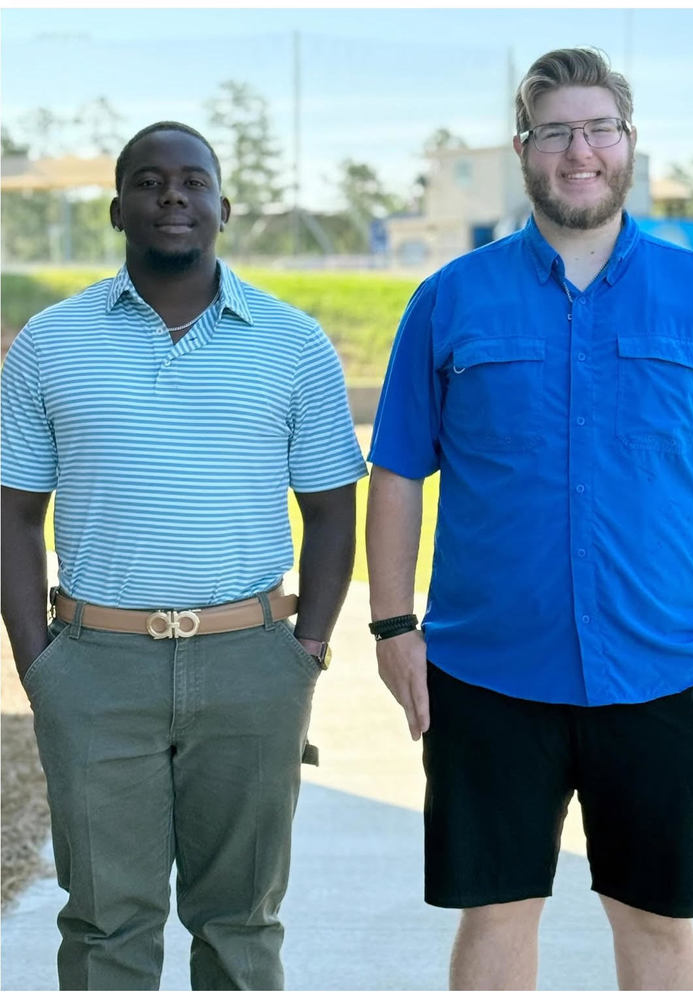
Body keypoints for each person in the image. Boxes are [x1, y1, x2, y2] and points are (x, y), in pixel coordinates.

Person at [366, 48, 693, 991]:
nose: (578, 150)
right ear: (524, 151)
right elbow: (395, 473)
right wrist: (394, 629)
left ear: (628, 145)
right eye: (556, 132)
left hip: (664, 669)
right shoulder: (449, 300)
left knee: (657, 922)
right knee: (496, 914)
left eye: (598, 129)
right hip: (487, 673)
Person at [1, 121, 368, 991]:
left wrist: (304, 653)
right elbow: (13, 517)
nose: (174, 197)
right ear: (118, 208)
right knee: (103, 929)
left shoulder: (293, 343)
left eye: (194, 182)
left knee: (240, 926)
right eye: (151, 182)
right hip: (94, 668)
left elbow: (331, 512)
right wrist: (39, 667)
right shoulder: (49, 345)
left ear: (224, 208)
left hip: (252, 666)